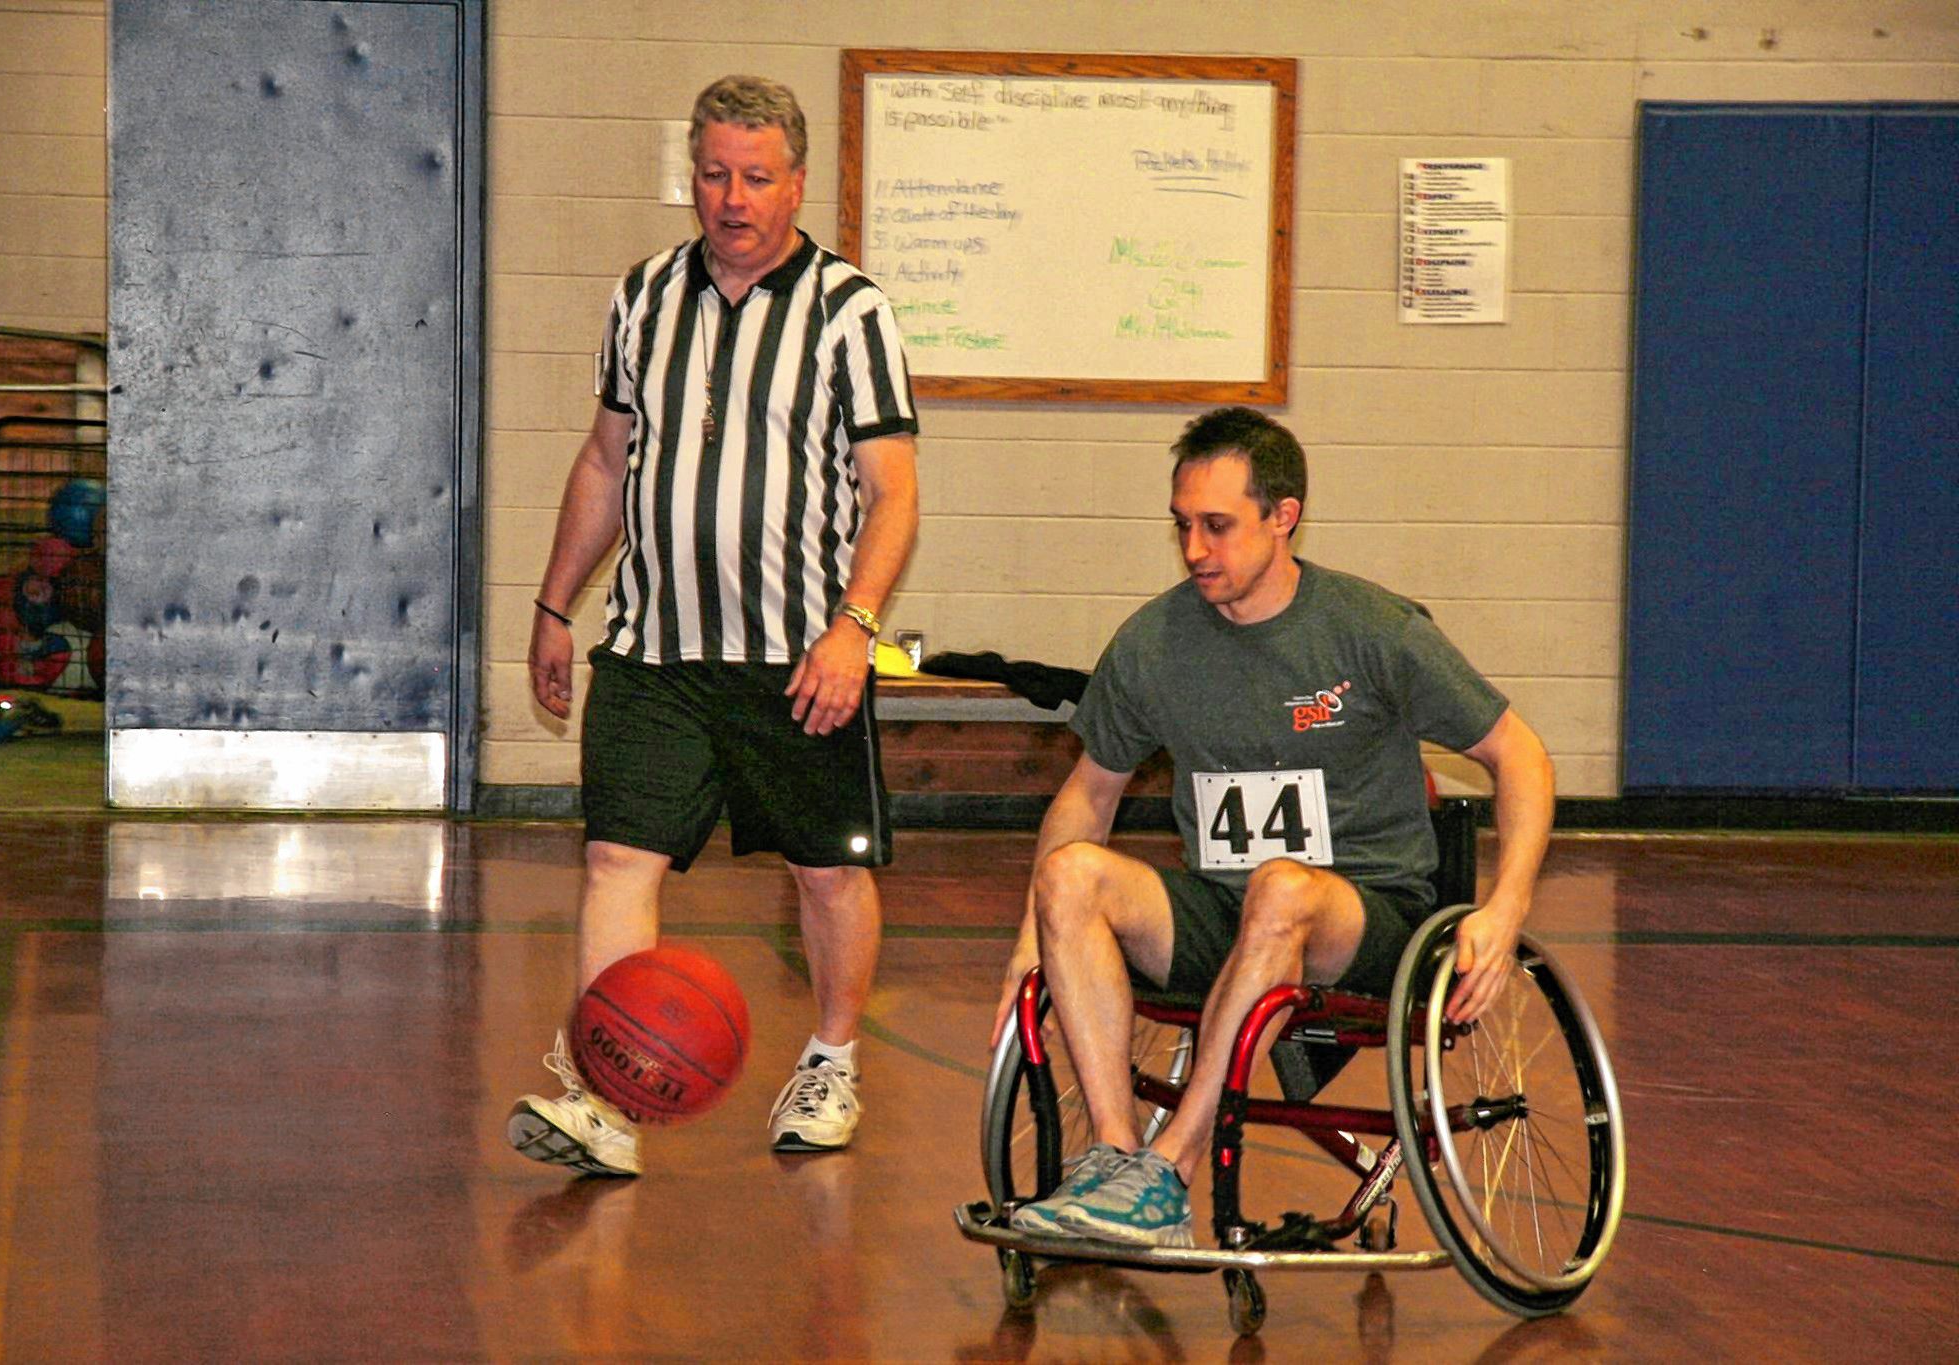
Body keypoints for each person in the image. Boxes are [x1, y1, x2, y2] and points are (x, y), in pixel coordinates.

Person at [990, 407, 1554, 1247]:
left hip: (1366, 916)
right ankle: (1116, 1158)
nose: (1193, 550)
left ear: (1282, 516)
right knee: (1071, 871)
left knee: (1282, 885)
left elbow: (1523, 757)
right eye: (1182, 525)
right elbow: (1087, 794)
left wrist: (1504, 911)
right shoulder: (1153, 642)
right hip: (1227, 909)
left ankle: (1169, 1171)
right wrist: (1029, 940)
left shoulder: (1373, 630)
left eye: (1217, 527)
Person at [509, 74, 919, 1177]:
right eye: (711, 175)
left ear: (796, 183)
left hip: (801, 657)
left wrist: (854, 629)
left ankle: (831, 1062)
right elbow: (604, 461)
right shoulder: (642, 296)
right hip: (655, 651)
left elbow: (894, 493)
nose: (730, 199)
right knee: (613, 859)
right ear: (689, 175)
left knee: (826, 873)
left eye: (754, 178)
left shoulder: (850, 311)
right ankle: (605, 1096)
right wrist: (555, 603)